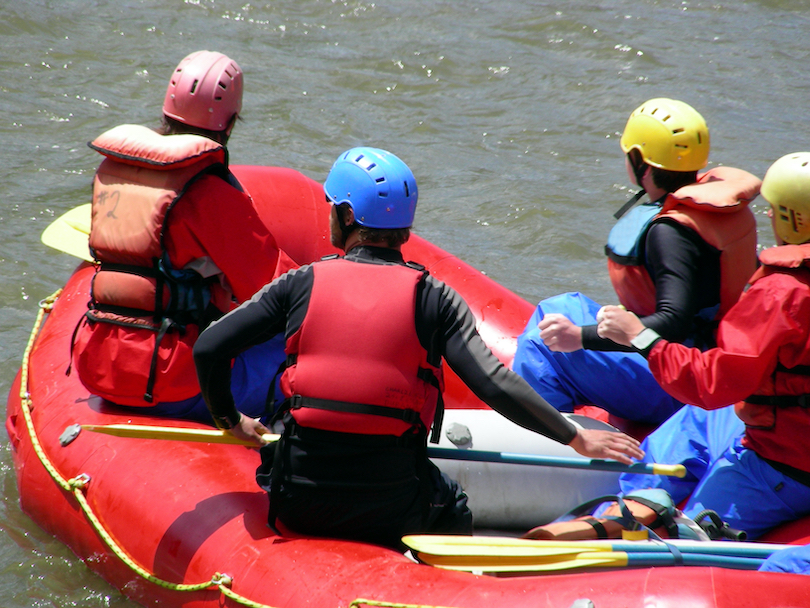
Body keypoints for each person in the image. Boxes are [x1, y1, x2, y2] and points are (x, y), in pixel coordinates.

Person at [193, 147, 644, 549]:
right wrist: (575, 436)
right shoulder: (435, 298)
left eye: (333, 207)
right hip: (392, 506)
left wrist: (229, 420)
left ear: (348, 217)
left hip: (300, 500)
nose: (328, 214)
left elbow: (210, 348)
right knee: (455, 508)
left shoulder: (301, 283)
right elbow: (494, 384)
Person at [595, 152, 810, 540]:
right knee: (696, 420)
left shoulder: (782, 293)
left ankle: (639, 530)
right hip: (786, 436)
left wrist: (640, 337)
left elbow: (711, 385)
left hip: (785, 466)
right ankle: (635, 504)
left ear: (790, 218)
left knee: (688, 537)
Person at [71, 50, 291, 423]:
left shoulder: (111, 172)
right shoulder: (209, 192)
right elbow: (279, 286)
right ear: (232, 121)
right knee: (296, 354)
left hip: (97, 367)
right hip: (171, 381)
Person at [512, 98, 761, 426]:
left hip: (683, 384)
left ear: (640, 161)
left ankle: (548, 439)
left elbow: (674, 322)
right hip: (713, 362)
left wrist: (580, 336)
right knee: (557, 306)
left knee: (540, 344)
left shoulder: (670, 232)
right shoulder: (714, 212)